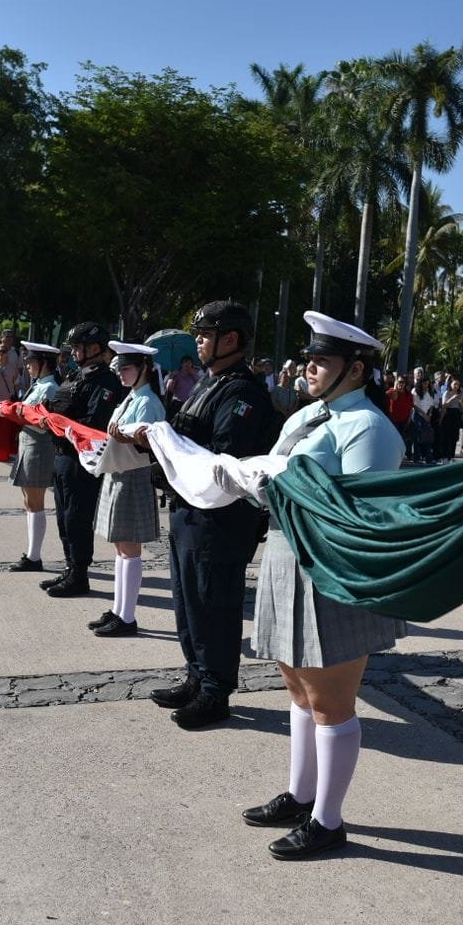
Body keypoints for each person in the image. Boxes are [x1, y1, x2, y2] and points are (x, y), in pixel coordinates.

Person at [242, 311, 405, 860]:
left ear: (355, 369)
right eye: (308, 358)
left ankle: (328, 820)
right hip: (286, 555)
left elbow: (358, 512)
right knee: (297, 686)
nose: (309, 367)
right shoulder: (310, 416)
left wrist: (281, 488)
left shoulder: (369, 428)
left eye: (322, 360)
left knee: (331, 700)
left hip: (330, 568)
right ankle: (301, 794)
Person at [137, 301, 273, 730]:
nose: (198, 341)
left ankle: (216, 691)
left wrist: (171, 446)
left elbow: (224, 457)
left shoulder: (243, 392)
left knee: (215, 603)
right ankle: (196, 675)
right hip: (189, 510)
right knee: (188, 600)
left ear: (230, 339)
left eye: (206, 334)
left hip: (220, 518)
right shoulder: (209, 383)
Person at [41, 321, 126, 597]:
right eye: (74, 347)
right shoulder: (75, 375)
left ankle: (79, 575)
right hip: (62, 454)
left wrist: (60, 423)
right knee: (64, 517)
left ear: (96, 348)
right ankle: (70, 568)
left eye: (80, 347)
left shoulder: (104, 381)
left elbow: (95, 422)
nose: (75, 352)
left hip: (81, 460)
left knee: (77, 518)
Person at [94, 341, 168, 637]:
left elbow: (151, 445)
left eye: (126, 368)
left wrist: (132, 439)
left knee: (130, 548)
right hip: (120, 472)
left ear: (143, 368)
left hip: (133, 475)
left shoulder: (147, 401)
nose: (121, 374)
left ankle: (127, 616)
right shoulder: (133, 397)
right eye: (120, 368)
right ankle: (118, 610)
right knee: (120, 545)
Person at [8, 344, 62, 574]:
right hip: (28, 444)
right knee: (29, 501)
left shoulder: (49, 388)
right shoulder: (40, 385)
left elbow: (44, 423)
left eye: (31, 362)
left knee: (35, 501)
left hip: (38, 445)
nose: (27, 367)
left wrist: (18, 414)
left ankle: (34, 556)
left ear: (44, 363)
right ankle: (32, 554)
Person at [410, 376, 438, 464]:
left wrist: (429, 415)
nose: (426, 385)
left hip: (427, 415)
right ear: (421, 383)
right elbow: (414, 405)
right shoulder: (415, 391)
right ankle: (417, 458)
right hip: (418, 415)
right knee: (417, 438)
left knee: (427, 437)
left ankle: (428, 458)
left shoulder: (430, 391)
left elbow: (431, 405)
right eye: (425, 384)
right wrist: (424, 415)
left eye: (428, 384)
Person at [435, 376, 463, 462]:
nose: (456, 386)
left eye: (458, 384)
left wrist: (461, 403)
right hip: (448, 414)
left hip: (456, 414)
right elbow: (444, 406)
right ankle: (444, 456)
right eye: (455, 384)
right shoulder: (446, 393)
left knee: (454, 437)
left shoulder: (460, 394)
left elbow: (462, 409)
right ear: (450, 384)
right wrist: (452, 398)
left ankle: (451, 456)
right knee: (446, 436)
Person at [385, 374, 414, 447]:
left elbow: (411, 408)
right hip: (393, 421)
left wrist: (409, 419)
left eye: (403, 382)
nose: (401, 383)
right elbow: (394, 398)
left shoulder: (408, 394)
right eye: (399, 381)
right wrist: (395, 387)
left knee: (403, 442)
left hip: (404, 421)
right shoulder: (392, 391)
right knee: (394, 442)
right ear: (396, 382)